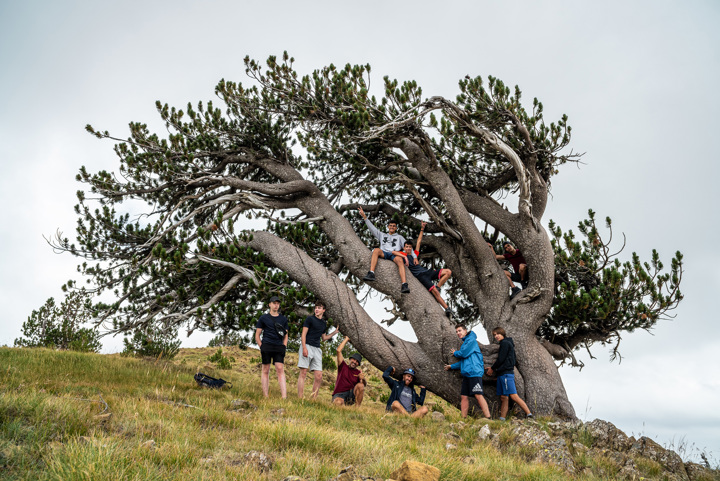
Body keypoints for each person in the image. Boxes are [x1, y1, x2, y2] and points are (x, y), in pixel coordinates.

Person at [400, 222, 454, 316]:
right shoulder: (401, 257)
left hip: (427, 271)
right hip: (421, 277)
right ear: (404, 248)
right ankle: (447, 308)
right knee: (435, 293)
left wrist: (422, 229)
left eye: (409, 247)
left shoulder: (414, 255)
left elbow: (419, 241)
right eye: (406, 247)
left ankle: (438, 286)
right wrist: (403, 256)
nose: (408, 248)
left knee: (448, 272)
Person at [358, 206, 411, 293]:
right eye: (390, 226)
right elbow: (372, 229)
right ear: (388, 227)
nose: (392, 227)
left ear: (396, 228)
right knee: (376, 250)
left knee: (400, 261)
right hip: (384, 252)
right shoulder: (382, 235)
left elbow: (408, 247)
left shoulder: (399, 237)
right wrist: (364, 217)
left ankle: (404, 284)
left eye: (394, 226)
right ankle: (371, 273)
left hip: (394, 254)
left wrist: (413, 257)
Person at [444, 324, 491, 418]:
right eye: (456, 331)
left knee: (478, 395)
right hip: (467, 373)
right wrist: (451, 366)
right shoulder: (465, 343)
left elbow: (464, 354)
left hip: (474, 372)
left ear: (465, 331)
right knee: (464, 396)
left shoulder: (471, 340)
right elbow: (464, 361)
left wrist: (455, 353)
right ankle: (463, 418)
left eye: (460, 330)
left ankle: (488, 417)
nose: (458, 333)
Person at [486, 327, 533, 420]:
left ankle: (529, 414)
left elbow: (501, 358)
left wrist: (492, 368)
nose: (496, 336)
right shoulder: (505, 343)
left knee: (513, 396)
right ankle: (502, 419)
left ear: (502, 333)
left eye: (497, 334)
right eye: (494, 335)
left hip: (506, 374)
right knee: (504, 398)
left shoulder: (505, 343)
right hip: (501, 374)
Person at [297, 300, 339, 400]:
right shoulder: (309, 319)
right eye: (316, 308)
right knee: (303, 373)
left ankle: (313, 398)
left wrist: (334, 332)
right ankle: (300, 398)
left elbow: (324, 338)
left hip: (317, 349)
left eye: (319, 308)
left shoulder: (323, 323)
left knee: (319, 376)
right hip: (307, 345)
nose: (316, 309)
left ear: (323, 310)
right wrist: (304, 348)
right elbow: (303, 334)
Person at [254, 295, 289, 399]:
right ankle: (266, 396)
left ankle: (284, 397)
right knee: (265, 369)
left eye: (278, 303)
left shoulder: (283, 319)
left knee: (280, 368)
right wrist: (262, 346)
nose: (276, 305)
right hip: (267, 345)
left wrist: (284, 346)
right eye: (274, 303)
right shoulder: (263, 318)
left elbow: (286, 335)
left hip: (279, 346)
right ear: (269, 304)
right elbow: (257, 335)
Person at [331, 336, 366, 406]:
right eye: (353, 359)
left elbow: (363, 385)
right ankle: (341, 403)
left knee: (361, 385)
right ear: (350, 359)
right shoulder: (343, 366)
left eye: (357, 361)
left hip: (351, 395)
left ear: (358, 364)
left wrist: (363, 378)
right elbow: (338, 350)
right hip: (340, 393)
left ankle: (357, 408)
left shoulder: (358, 372)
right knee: (338, 402)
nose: (354, 362)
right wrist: (346, 339)